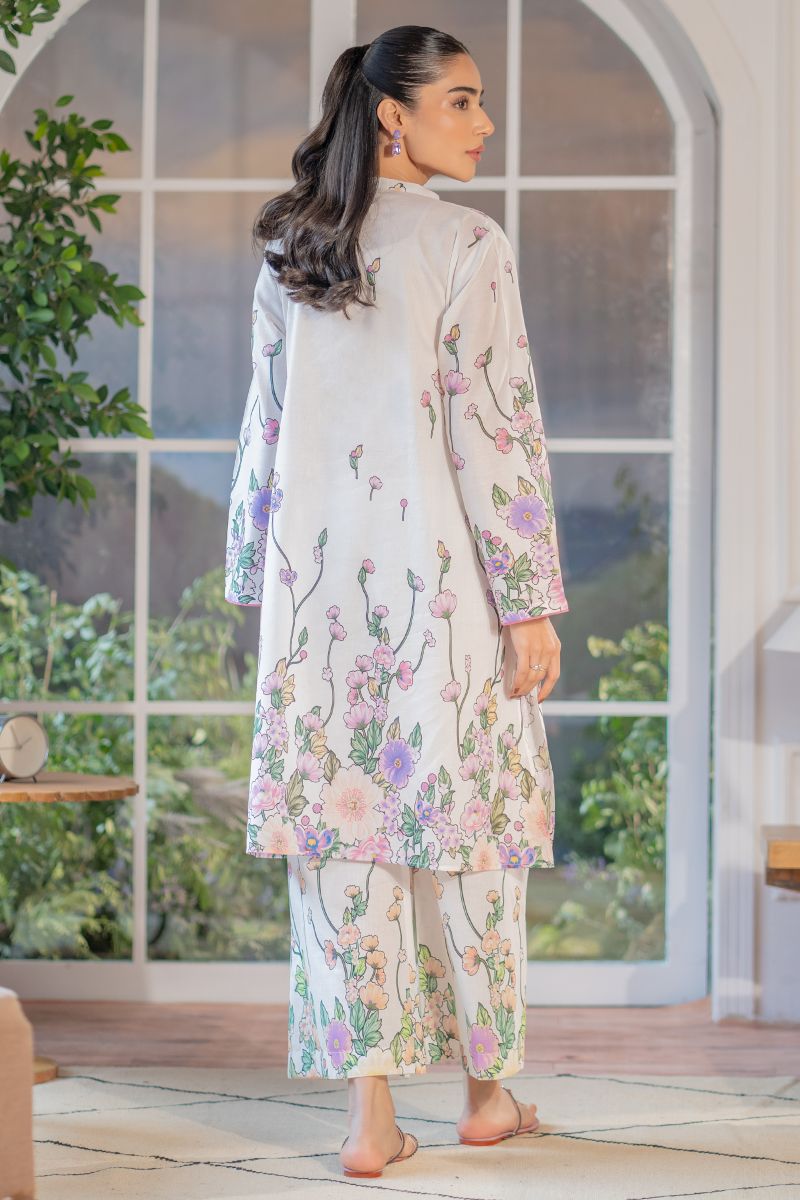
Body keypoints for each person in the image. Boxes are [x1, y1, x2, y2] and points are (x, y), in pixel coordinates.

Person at [224, 25, 568, 1179]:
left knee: (344, 841)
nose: (482, 123)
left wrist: (252, 578)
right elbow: (495, 431)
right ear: (392, 116)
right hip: (444, 596)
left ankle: (367, 1120)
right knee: (470, 833)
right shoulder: (466, 242)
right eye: (460, 100)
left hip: (316, 602)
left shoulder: (291, 245)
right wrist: (529, 601)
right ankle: (486, 1095)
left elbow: (263, 427)